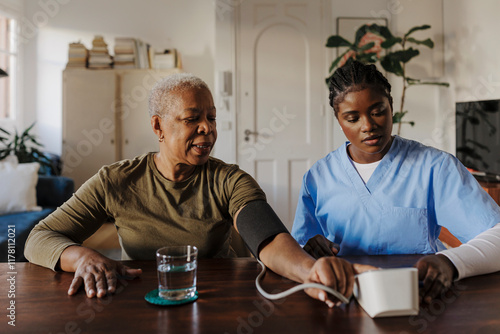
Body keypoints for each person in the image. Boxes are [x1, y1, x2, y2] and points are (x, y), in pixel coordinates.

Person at [25, 73, 371, 307]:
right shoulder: (115, 181)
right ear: (158, 126)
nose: (207, 128)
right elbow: (39, 237)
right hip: (136, 303)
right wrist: (82, 257)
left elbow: (266, 236)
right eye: (193, 119)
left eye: (212, 117)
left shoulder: (229, 180)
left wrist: (309, 272)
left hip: (212, 303)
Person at [291, 60, 500, 304]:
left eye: (378, 111)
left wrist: (450, 262)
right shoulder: (318, 178)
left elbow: (496, 234)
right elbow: (296, 258)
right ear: (338, 120)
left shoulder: (435, 167)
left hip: (420, 298)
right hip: (345, 299)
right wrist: (309, 250)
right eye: (352, 118)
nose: (368, 126)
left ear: (391, 106)